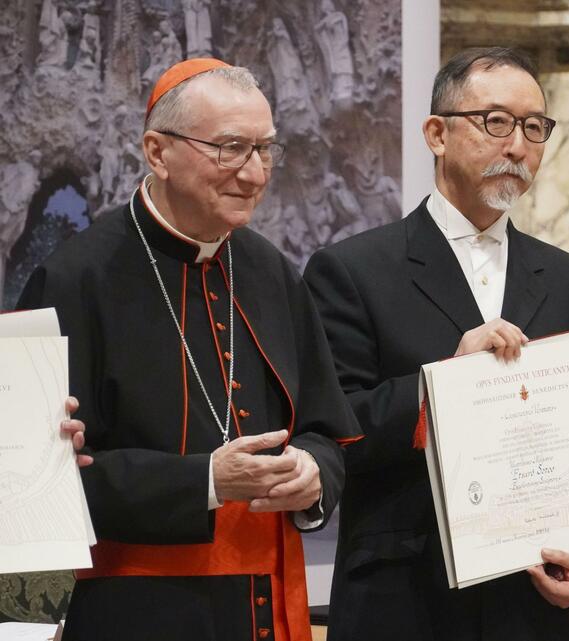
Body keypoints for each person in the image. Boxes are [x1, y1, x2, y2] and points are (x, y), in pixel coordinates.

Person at [17, 58, 361, 641]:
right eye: (230, 148)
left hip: (264, 610)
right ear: (157, 152)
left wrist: (312, 476)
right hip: (135, 609)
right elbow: (38, 482)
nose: (253, 174)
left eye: (265, 150)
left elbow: (325, 431)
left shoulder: (271, 271)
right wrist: (205, 480)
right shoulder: (74, 280)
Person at [303, 47, 569, 641]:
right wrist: (445, 385)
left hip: (533, 607)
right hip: (402, 602)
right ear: (436, 133)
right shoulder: (352, 270)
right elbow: (331, 433)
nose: (518, 145)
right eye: (495, 121)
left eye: (535, 127)